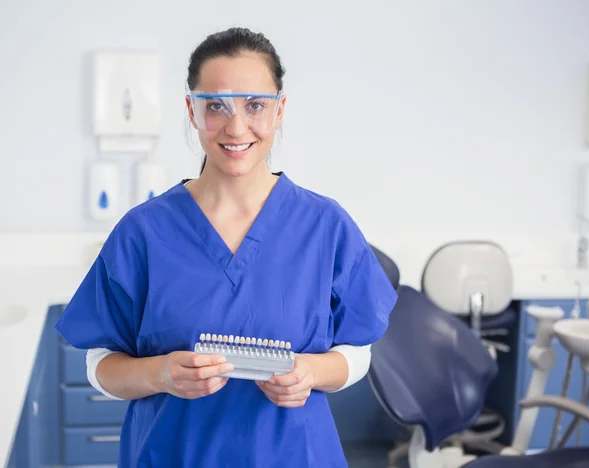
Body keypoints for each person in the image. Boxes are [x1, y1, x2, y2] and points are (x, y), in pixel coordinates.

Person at [55, 27, 398, 467]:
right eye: (216, 106)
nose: (237, 127)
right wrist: (159, 373)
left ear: (279, 111)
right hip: (174, 455)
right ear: (191, 111)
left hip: (293, 455)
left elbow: (356, 353)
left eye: (255, 105)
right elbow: (100, 365)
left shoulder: (324, 225)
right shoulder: (143, 232)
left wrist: (311, 373)